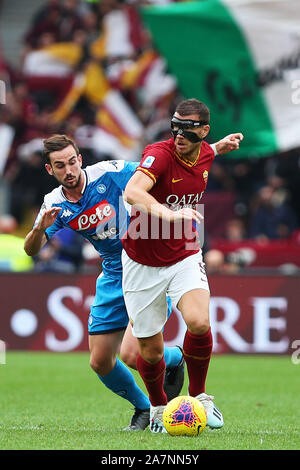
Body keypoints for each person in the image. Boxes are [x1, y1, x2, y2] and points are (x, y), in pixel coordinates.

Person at [24, 130, 241, 431]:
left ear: (80, 159)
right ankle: (146, 403)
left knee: (131, 354)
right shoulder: (53, 203)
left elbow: (160, 168)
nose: (69, 170)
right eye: (60, 166)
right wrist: (39, 230)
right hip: (113, 274)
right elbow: (31, 249)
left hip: (146, 263)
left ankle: (166, 380)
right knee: (100, 362)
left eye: (72, 162)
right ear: (50, 169)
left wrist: (213, 149)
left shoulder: (111, 173)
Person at [121, 98, 244, 432]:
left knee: (199, 322)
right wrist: (170, 213)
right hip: (141, 262)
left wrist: (220, 147)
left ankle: (201, 396)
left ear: (203, 131)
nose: (179, 135)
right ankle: (160, 407)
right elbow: (133, 191)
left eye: (189, 130)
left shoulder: (203, 151)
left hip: (184, 253)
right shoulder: (160, 154)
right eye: (175, 127)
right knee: (147, 351)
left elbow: (207, 153)